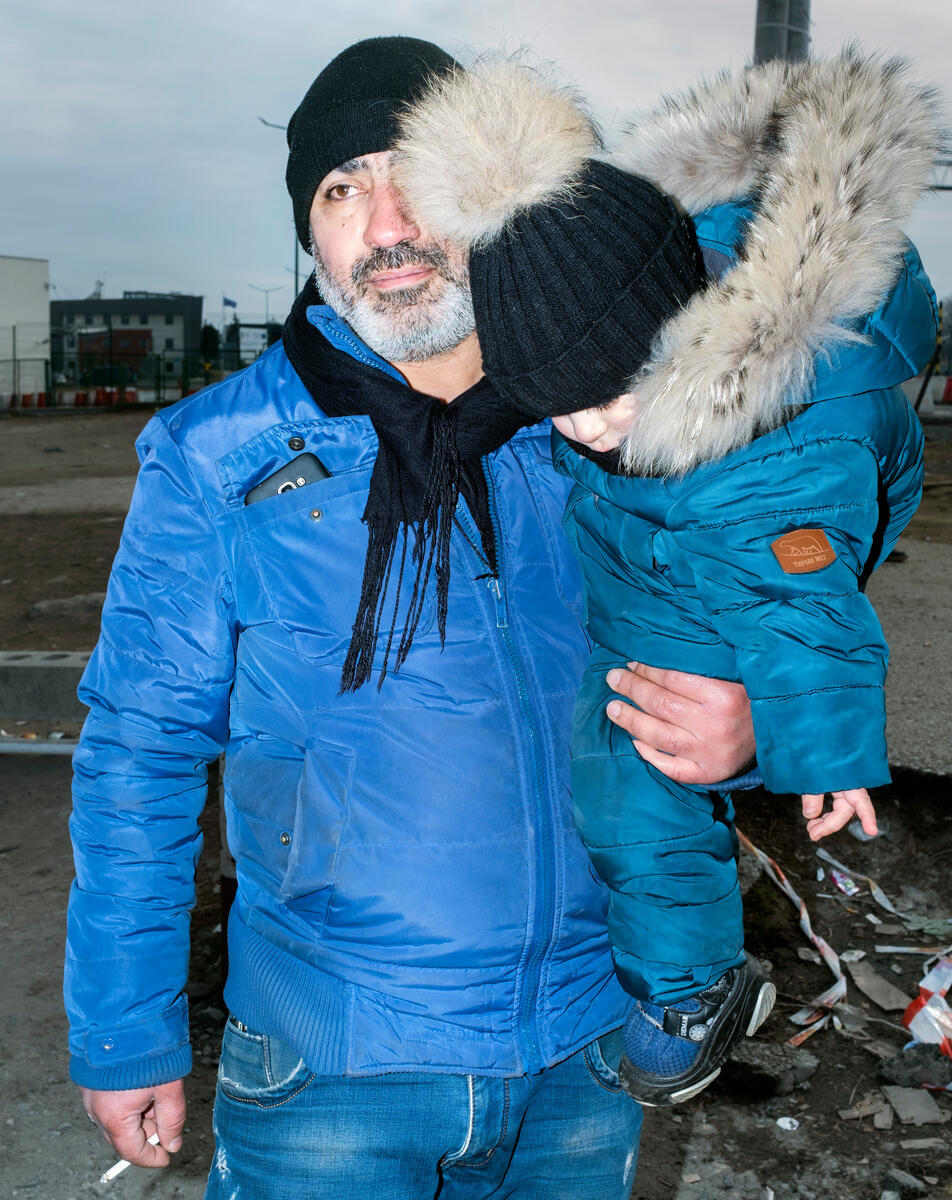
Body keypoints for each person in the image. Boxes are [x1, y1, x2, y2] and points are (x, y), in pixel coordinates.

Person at [65, 37, 757, 1199]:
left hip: (588, 1047)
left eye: (417, 180)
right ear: (309, 231)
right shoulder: (216, 455)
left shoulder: (605, 420)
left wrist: (748, 723)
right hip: (334, 1067)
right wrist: (124, 1029)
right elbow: (139, 751)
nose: (386, 226)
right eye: (341, 192)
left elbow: (756, 618)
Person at [390, 49, 939, 1107]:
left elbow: (804, 610)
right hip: (651, 580)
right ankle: (686, 977)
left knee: (634, 785)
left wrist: (824, 757)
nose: (587, 429)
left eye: (606, 396)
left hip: (733, 579)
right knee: (612, 773)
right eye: (558, 408)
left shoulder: (776, 449)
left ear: (678, 335)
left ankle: (691, 989)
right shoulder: (608, 361)